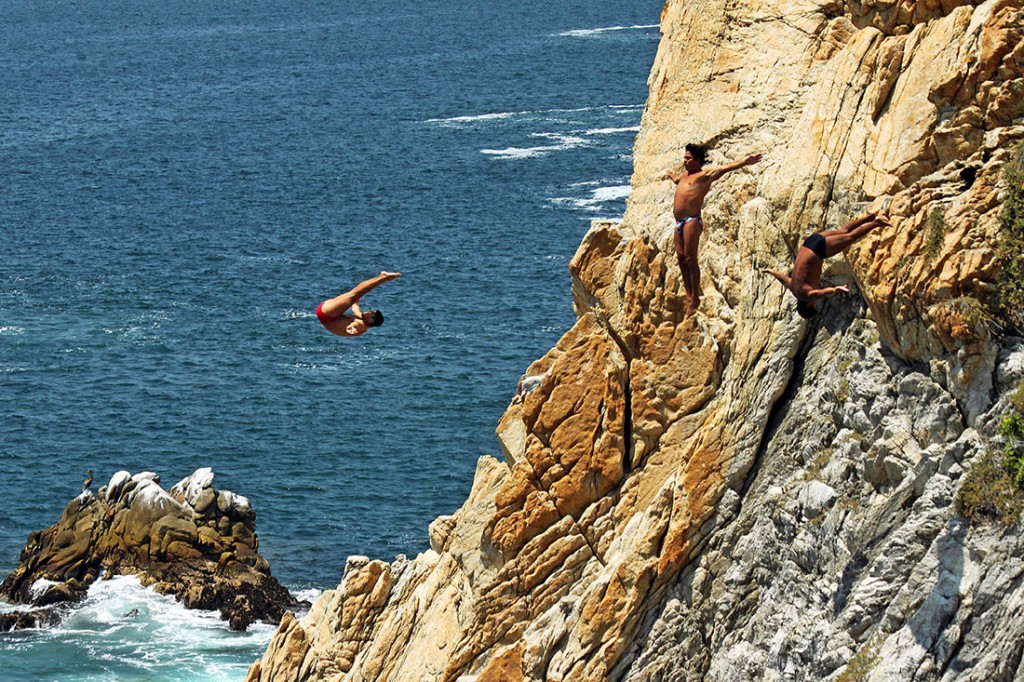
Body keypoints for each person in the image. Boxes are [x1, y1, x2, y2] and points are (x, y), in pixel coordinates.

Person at [666, 143, 762, 315]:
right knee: (680, 258)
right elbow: (676, 181)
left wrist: (745, 162)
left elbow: (725, 168)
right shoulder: (683, 176)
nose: (685, 161)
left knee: (690, 258)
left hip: (691, 221)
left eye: (688, 159)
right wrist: (670, 175)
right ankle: (689, 294)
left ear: (697, 160)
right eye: (684, 158)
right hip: (678, 223)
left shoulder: (704, 176)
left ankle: (694, 298)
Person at [762, 212, 890, 319]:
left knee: (850, 237)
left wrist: (836, 290)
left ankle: (876, 223)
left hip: (817, 251)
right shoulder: (794, 289)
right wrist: (769, 271)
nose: (815, 303)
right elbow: (783, 278)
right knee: (843, 231)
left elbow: (821, 293)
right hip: (808, 243)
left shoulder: (806, 295)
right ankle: (872, 216)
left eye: (814, 305)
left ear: (808, 305)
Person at [316, 271, 401, 337]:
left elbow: (356, 324)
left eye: (371, 312)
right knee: (354, 294)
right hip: (331, 313)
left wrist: (352, 327)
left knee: (354, 295)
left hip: (326, 316)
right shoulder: (362, 318)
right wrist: (355, 303)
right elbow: (356, 310)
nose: (368, 311)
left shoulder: (362, 325)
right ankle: (381, 277)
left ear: (371, 320)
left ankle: (383, 278)